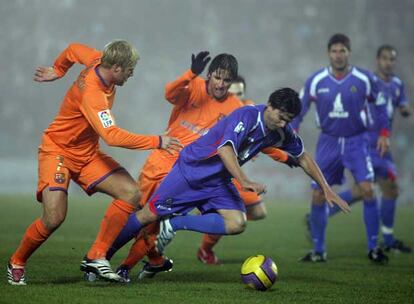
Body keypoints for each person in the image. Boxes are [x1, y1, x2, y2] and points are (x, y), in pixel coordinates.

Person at [83, 87, 351, 283]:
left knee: (237, 222)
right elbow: (225, 151)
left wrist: (326, 188)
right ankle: (100, 258)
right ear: (269, 105)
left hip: (218, 182)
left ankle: (173, 224)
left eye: (288, 120)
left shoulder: (282, 131)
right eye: (281, 116)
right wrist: (245, 181)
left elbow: (303, 157)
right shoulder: (245, 117)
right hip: (191, 173)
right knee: (146, 215)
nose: (283, 123)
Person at [92, 53, 292, 281]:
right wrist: (190, 74)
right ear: (209, 75)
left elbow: (259, 139)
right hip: (162, 163)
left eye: (227, 81)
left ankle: (125, 266)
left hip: (193, 173)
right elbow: (170, 93)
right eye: (217, 78)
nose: (221, 84)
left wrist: (285, 157)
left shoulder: (235, 108)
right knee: (142, 216)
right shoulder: (194, 87)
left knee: (153, 224)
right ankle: (102, 257)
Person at [7, 41, 181, 285]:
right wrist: (157, 141)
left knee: (131, 193)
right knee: (54, 218)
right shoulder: (93, 94)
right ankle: (17, 261)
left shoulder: (98, 59)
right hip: (57, 151)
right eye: (130, 69)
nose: (132, 74)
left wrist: (59, 70)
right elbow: (112, 136)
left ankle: (96, 256)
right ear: (117, 68)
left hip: (87, 154)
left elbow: (73, 49)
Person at [291, 33, 391, 264]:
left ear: (349, 53)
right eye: (334, 51)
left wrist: (384, 133)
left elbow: (380, 105)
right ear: (329, 53)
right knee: (317, 194)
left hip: (357, 141)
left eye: (342, 51)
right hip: (328, 142)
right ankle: (318, 251)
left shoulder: (363, 79)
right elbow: (299, 108)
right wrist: (292, 133)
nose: (338, 55)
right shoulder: (316, 80)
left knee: (367, 189)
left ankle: (373, 248)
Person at [323, 45, 412, 253]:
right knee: (380, 188)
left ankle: (320, 214)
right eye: (385, 59)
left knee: (373, 190)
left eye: (392, 59)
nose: (388, 62)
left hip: (382, 144)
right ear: (377, 60)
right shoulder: (368, 82)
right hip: (365, 142)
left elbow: (403, 107)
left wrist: (407, 110)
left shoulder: (397, 84)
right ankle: (387, 240)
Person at [196, 75, 269, 265]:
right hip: (208, 173)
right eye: (232, 94)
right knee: (163, 212)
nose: (236, 98)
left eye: (240, 94)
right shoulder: (215, 112)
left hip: (230, 174)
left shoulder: (249, 112)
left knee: (258, 212)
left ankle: (208, 235)